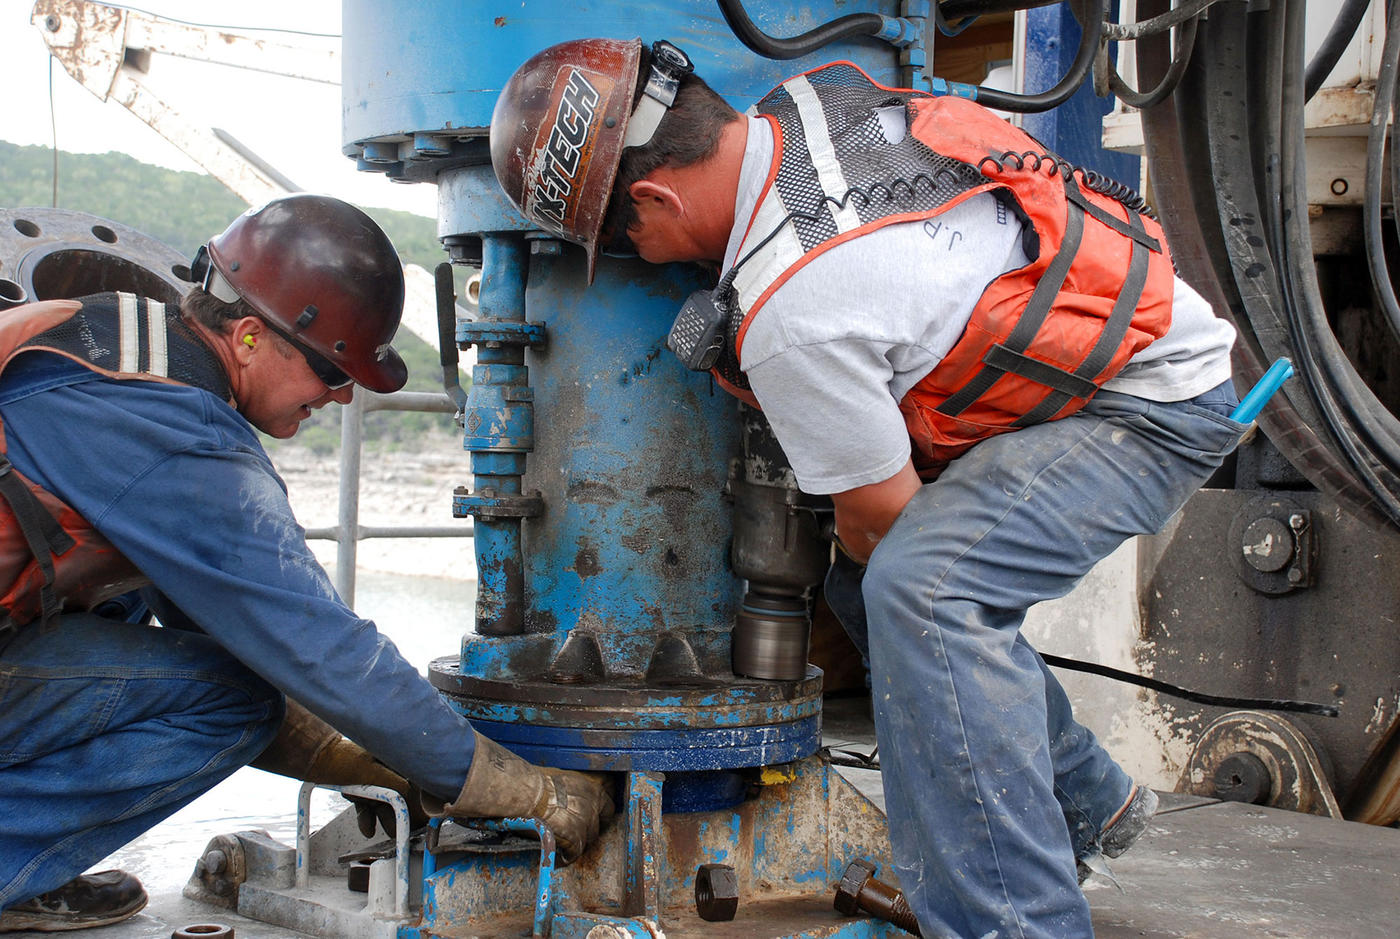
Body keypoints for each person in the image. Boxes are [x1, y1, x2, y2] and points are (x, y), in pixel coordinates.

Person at [489, 39, 1243, 938]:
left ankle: (1016, 921)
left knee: (925, 591)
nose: (639, 257)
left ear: (654, 197)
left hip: (1149, 407)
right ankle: (1087, 798)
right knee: (868, 587)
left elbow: (885, 519)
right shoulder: (806, 106)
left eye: (626, 239)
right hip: (1116, 345)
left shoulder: (792, 311)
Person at [0, 194, 613, 933]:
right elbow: (324, 650)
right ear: (252, 336)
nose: (343, 392)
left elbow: (228, 627)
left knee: (125, 599)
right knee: (233, 701)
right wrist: (522, 791)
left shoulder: (110, 338)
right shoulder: (180, 436)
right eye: (330, 367)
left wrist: (372, 755)